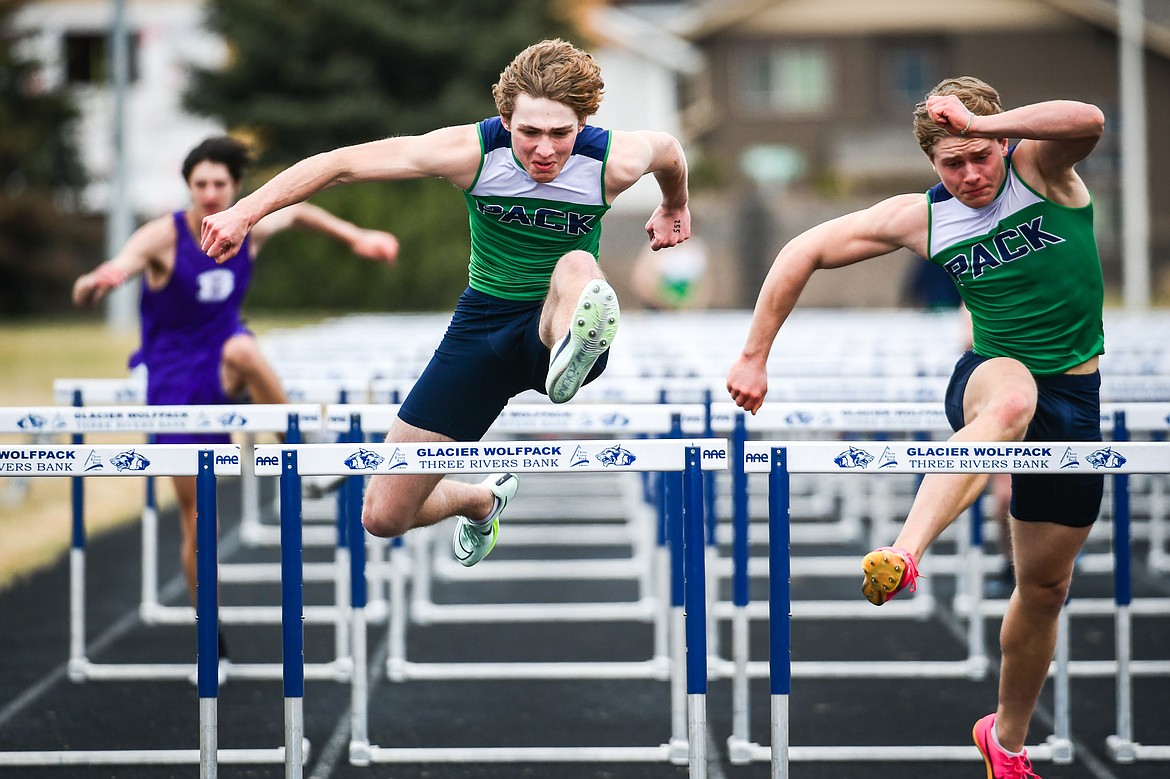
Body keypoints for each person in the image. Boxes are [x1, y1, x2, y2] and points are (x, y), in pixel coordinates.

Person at [726, 76, 1105, 779]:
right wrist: (754, 353)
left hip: (1078, 397)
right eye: (950, 163)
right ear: (931, 164)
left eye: (978, 156)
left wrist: (992, 126)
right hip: (993, 372)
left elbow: (1087, 118)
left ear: (1002, 143)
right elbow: (801, 250)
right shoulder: (923, 219)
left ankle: (1007, 741)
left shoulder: (1040, 171)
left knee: (1046, 587)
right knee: (1011, 402)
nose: (968, 175)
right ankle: (903, 554)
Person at [199, 39, 691, 569]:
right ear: (505, 120)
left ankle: (571, 347)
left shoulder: (612, 160)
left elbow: (667, 149)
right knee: (383, 515)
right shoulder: (472, 153)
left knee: (575, 267)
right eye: (528, 133)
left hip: (558, 315)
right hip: (481, 328)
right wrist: (244, 212)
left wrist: (675, 203)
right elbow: (342, 164)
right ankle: (481, 500)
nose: (544, 150)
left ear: (584, 123)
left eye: (560, 134)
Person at [72, 136, 400, 675]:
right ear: (189, 187)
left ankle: (301, 450)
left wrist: (356, 235)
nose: (208, 193)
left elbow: (299, 213)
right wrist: (95, 284)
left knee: (244, 346)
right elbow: (118, 267)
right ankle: (212, 635)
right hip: (175, 382)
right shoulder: (163, 236)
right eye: (199, 184)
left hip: (226, 361)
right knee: (197, 519)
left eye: (218, 184)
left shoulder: (249, 225)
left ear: (235, 187)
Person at [630, 234, 710, 310]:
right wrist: (664, 302)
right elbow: (641, 282)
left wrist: (692, 305)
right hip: (658, 311)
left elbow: (706, 285)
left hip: (689, 314)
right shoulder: (655, 246)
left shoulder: (697, 248)